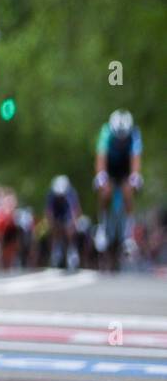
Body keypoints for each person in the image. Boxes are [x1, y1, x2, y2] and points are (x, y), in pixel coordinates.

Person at [94, 109, 143, 254]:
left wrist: (135, 175)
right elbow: (101, 156)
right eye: (118, 138)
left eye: (124, 138)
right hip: (109, 167)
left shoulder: (134, 133)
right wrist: (101, 175)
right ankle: (101, 227)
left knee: (128, 191)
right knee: (105, 190)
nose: (121, 141)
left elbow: (136, 157)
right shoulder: (106, 132)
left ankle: (128, 234)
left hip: (125, 168)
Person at [45, 174, 82, 269]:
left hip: (67, 213)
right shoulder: (51, 194)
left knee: (70, 230)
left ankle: (72, 250)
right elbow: (49, 212)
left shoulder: (71, 194)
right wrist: (51, 224)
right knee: (54, 229)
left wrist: (73, 223)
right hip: (57, 214)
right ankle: (55, 251)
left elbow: (75, 210)